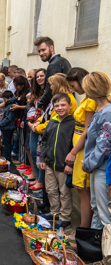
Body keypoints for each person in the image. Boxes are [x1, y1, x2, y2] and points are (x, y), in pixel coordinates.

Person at [65, 67, 95, 228]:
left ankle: (83, 229)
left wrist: (73, 152)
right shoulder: (86, 98)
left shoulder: (90, 101)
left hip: (82, 148)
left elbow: (87, 130)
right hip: (79, 146)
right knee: (81, 189)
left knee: (83, 190)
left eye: (73, 85)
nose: (72, 89)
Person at [40, 93, 75, 229]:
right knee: (51, 190)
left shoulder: (73, 123)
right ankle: (55, 212)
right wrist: (42, 157)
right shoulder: (52, 122)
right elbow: (44, 141)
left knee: (64, 192)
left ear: (70, 105)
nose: (60, 108)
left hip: (63, 166)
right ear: (53, 107)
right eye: (57, 105)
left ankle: (65, 218)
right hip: (50, 163)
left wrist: (70, 164)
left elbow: (74, 146)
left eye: (63, 105)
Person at [83, 72, 111, 229]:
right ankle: (94, 249)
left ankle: (106, 252)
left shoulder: (107, 113)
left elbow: (104, 146)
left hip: (102, 168)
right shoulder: (101, 111)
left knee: (104, 214)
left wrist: (88, 163)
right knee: (97, 208)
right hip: (97, 167)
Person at [34, 36, 71, 110]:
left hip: (59, 106)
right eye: (39, 51)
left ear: (51, 48)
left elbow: (50, 89)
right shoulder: (63, 60)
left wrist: (40, 103)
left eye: (43, 50)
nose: (41, 53)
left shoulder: (54, 64)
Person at [0, 90, 16, 161]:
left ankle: (7, 158)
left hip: (7, 127)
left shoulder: (10, 106)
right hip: (8, 127)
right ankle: (7, 158)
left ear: (9, 98)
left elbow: (9, 118)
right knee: (7, 142)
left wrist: (1, 123)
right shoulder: (10, 105)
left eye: (5, 100)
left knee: (7, 143)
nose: (4, 101)